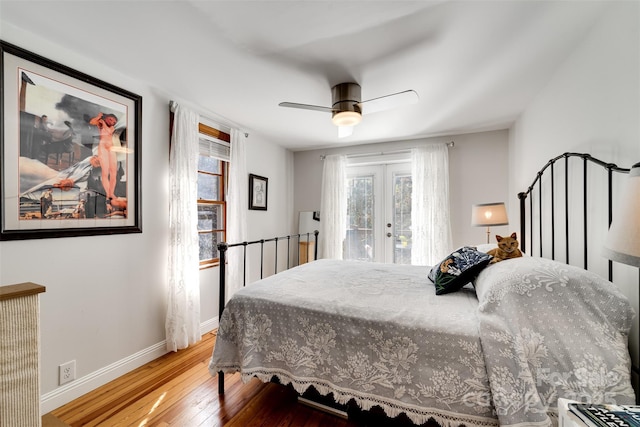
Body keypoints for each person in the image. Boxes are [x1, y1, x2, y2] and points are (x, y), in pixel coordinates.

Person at [89, 112, 119, 206]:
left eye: (114, 121)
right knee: (105, 172)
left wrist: (104, 122)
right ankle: (107, 194)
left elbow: (110, 132)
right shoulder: (101, 123)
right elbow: (92, 122)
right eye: (111, 119)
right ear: (106, 118)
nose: (112, 122)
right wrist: (98, 117)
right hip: (103, 147)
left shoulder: (110, 127)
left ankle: (111, 193)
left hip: (111, 148)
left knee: (114, 172)